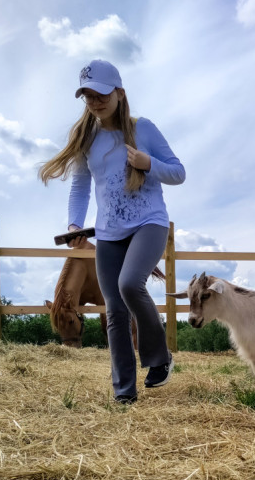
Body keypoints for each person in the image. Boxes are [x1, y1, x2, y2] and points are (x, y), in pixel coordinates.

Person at [39, 59, 185, 404]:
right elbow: (80, 187)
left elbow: (178, 172)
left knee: (129, 284)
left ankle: (159, 357)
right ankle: (124, 394)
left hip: (149, 222)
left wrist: (149, 165)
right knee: (114, 312)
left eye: (101, 94)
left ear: (119, 92)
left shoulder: (143, 128)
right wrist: (75, 224)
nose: (95, 102)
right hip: (108, 232)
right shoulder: (88, 140)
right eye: (87, 96)